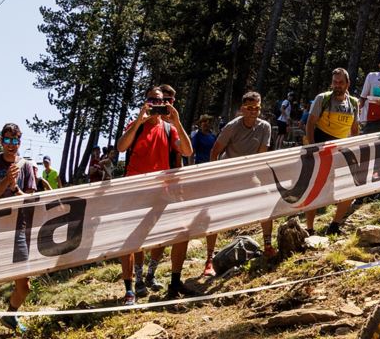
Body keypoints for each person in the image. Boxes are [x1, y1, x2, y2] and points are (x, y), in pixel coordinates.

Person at [116, 84, 194, 303]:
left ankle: (171, 280)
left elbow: (187, 151)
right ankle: (131, 287)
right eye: (152, 100)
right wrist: (140, 119)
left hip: (162, 191)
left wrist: (177, 121)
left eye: (160, 101)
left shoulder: (170, 128)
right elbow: (121, 147)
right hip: (135, 190)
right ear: (145, 102)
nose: (156, 105)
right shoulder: (136, 125)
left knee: (180, 231)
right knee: (132, 239)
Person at [0, 124, 48, 339]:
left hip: (18, 229)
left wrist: (14, 187)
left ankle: (10, 315)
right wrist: (4, 181)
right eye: (7, 141)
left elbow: (29, 200)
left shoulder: (26, 166)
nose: (10, 145)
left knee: (24, 285)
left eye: (14, 141)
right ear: (1, 141)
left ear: (20, 142)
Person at [213, 91, 276, 257]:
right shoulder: (232, 126)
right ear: (242, 109)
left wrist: (262, 179)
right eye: (249, 108)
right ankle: (209, 258)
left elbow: (261, 156)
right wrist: (214, 176)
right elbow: (215, 152)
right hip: (228, 174)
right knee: (215, 212)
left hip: (249, 174)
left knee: (267, 199)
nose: (253, 111)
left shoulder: (265, 127)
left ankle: (268, 245)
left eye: (257, 108)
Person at [303, 68, 362, 236]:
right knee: (315, 188)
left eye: (341, 82)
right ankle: (309, 228)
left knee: (350, 188)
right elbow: (310, 123)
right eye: (335, 82)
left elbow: (355, 127)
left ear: (347, 83)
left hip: (342, 150)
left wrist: (355, 146)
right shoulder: (322, 98)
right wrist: (312, 148)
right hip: (320, 148)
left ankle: (335, 225)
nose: (337, 85)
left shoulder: (354, 102)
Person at [190, 114, 220, 275]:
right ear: (200, 123)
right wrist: (189, 170)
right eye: (204, 122)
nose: (206, 124)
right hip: (199, 170)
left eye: (209, 121)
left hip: (211, 171)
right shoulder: (197, 136)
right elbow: (191, 153)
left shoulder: (213, 137)